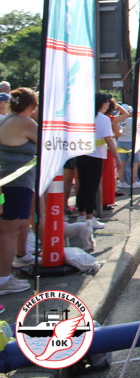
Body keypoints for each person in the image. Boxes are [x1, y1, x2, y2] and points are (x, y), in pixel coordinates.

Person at [0, 87, 39, 297]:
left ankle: (10, 268)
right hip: (17, 184)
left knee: (10, 229)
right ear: (31, 106)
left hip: (10, 182)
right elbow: (47, 143)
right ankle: (4, 279)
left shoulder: (6, 120)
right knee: (9, 231)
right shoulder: (25, 122)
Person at [78, 93, 116, 229]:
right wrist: (117, 157)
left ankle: (82, 215)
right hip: (95, 156)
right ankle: (89, 218)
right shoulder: (103, 119)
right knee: (92, 187)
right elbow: (109, 139)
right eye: (107, 101)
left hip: (81, 154)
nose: (108, 104)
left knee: (83, 186)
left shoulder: (83, 117)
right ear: (101, 103)